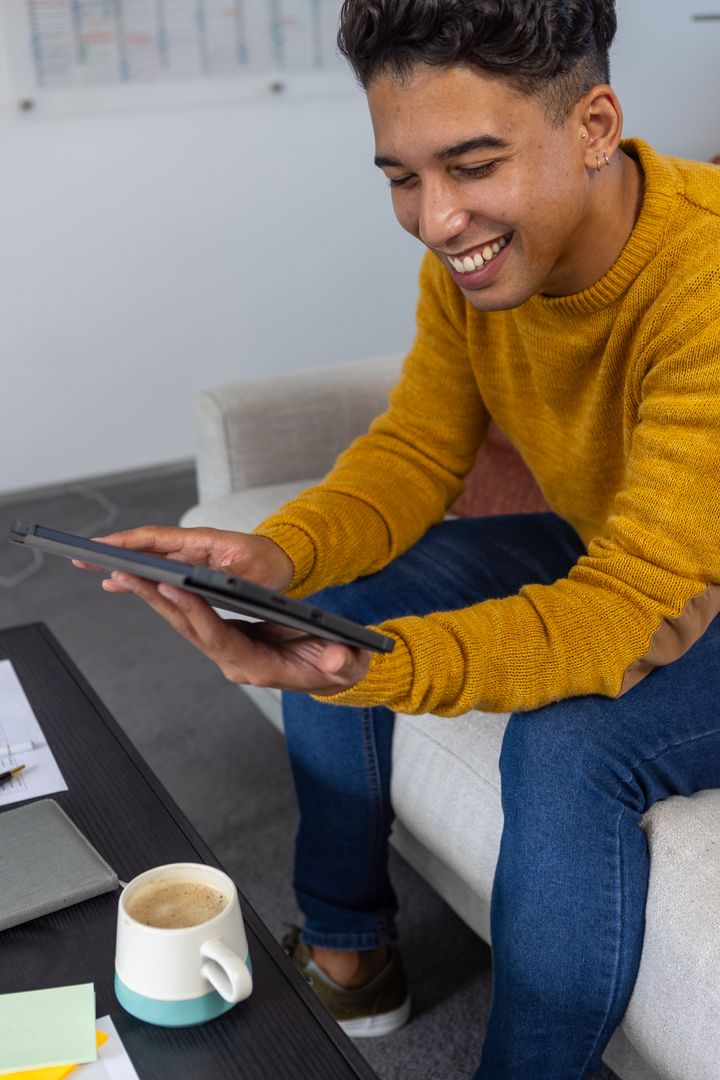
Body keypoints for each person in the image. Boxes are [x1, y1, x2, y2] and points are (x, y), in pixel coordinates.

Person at [80, 1, 720, 1076]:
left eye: (471, 166)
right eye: (401, 178)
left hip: (668, 576)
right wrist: (275, 559)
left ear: (595, 126)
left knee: (567, 751)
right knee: (337, 607)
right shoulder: (477, 265)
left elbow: (631, 608)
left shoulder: (702, 282)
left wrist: (386, 670)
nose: (434, 219)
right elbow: (419, 449)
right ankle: (351, 957)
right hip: (632, 545)